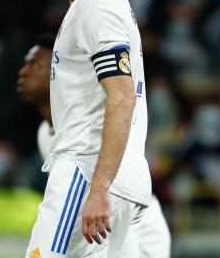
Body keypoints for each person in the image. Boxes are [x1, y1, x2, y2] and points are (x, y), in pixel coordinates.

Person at [25, 0, 152, 257]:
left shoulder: (97, 9)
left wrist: (98, 188)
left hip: (86, 174)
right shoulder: (103, 4)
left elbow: (122, 98)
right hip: (118, 178)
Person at [18, 35, 171, 257]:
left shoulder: (94, 125)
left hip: (139, 227)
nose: (24, 71)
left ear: (61, 74)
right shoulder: (45, 135)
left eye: (35, 65)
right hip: (97, 224)